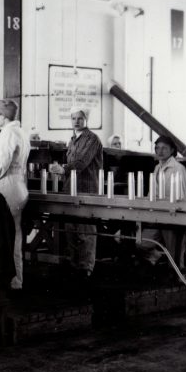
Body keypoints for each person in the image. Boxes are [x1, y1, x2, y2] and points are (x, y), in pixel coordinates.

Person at [50, 106, 104, 278]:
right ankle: (75, 266)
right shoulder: (73, 139)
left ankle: (86, 268)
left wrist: (63, 169)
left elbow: (81, 162)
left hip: (87, 190)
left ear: (86, 119)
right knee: (71, 229)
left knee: (85, 231)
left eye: (80, 118)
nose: (76, 121)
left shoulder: (92, 139)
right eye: (73, 118)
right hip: (71, 190)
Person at [0, 99, 30, 291]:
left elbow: (2, 163)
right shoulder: (21, 132)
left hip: (7, 187)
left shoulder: (8, 133)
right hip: (19, 186)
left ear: (2, 115)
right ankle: (16, 281)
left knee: (0, 235)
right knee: (16, 236)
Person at [139, 135, 186, 266]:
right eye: (157, 148)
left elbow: (183, 195)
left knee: (174, 253)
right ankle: (158, 257)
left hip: (172, 214)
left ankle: (178, 276)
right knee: (142, 243)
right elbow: (153, 192)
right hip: (156, 213)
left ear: (172, 150)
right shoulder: (157, 167)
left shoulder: (178, 168)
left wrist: (176, 213)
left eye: (164, 148)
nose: (160, 151)